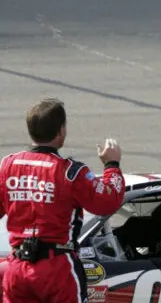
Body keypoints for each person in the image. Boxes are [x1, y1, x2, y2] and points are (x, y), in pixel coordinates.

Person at [0, 98, 126, 303]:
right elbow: (108, 201)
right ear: (61, 132)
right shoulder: (71, 172)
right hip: (56, 269)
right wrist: (112, 164)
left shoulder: (7, 165)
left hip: (18, 268)